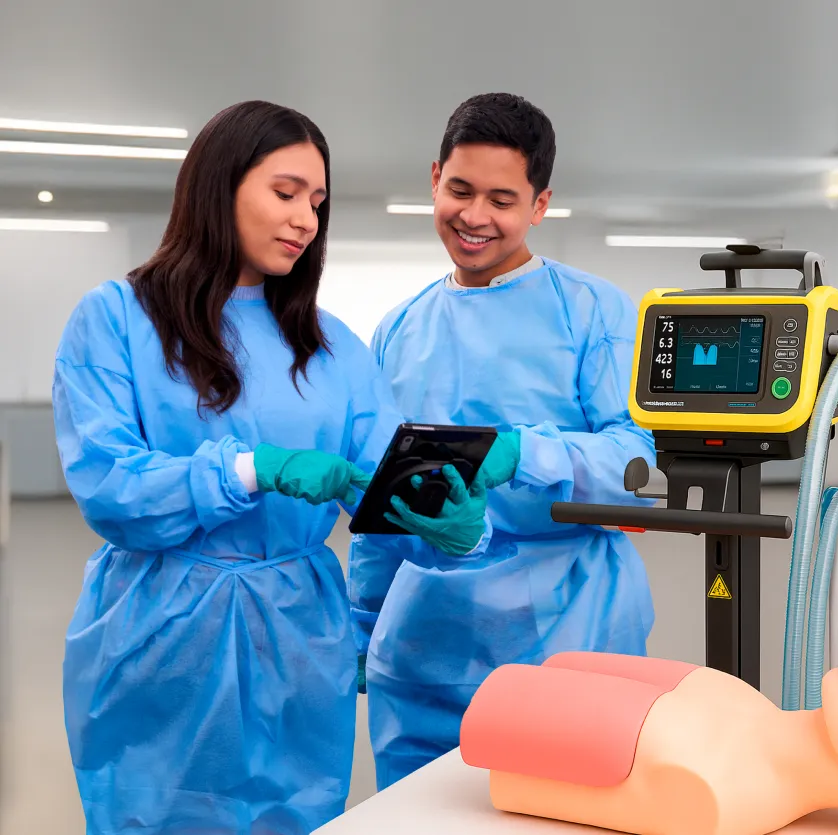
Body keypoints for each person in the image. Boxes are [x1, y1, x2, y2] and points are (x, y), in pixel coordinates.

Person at [52, 100, 490, 835]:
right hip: (158, 639)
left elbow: (385, 485)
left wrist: (450, 526)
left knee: (293, 816)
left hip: (294, 637)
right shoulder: (118, 318)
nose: (305, 220)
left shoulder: (332, 348)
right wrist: (250, 469)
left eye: (317, 202)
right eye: (285, 192)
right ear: (218, 186)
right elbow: (109, 486)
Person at [347, 92, 657, 788]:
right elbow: (382, 510)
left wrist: (522, 454)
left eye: (502, 198)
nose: (475, 216)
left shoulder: (591, 311)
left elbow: (637, 463)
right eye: (459, 190)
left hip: (566, 635)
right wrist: (361, 628)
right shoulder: (397, 330)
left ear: (539, 205)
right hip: (424, 645)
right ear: (434, 179)